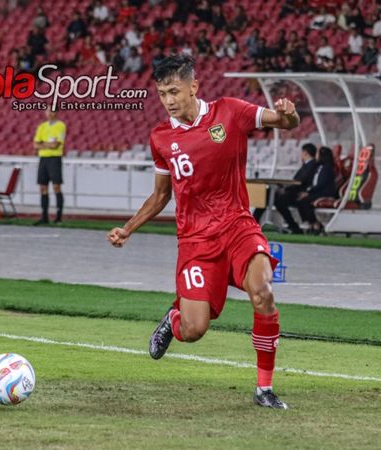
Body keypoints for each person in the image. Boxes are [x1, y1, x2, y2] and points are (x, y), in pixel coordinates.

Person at [107, 55, 300, 409]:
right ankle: (174, 318)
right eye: (162, 93)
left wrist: (288, 114)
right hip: (195, 240)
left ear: (193, 87)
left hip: (238, 225)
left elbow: (284, 122)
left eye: (174, 91)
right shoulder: (161, 138)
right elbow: (161, 195)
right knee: (194, 330)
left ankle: (264, 390)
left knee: (263, 291)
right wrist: (129, 228)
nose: (168, 100)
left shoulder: (230, 112)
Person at [254, 143, 319, 233]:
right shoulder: (307, 165)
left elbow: (300, 181)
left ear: (305, 153)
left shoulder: (311, 165)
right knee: (267, 194)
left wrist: (285, 188)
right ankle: (255, 221)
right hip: (293, 191)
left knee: (275, 199)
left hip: (297, 193)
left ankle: (254, 222)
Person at [33, 108, 67, 225]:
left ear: (56, 113)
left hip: (54, 158)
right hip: (43, 159)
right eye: (48, 111)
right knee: (43, 187)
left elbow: (55, 145)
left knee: (56, 187)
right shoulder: (42, 126)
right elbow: (35, 144)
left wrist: (43, 144)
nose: (50, 114)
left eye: (52, 111)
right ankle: (44, 216)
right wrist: (47, 144)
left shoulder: (60, 125)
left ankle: (58, 216)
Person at [294, 146, 338, 235]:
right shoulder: (319, 167)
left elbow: (320, 184)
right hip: (318, 191)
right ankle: (311, 223)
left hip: (324, 193)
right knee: (299, 199)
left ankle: (315, 223)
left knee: (304, 201)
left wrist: (308, 192)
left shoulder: (327, 168)